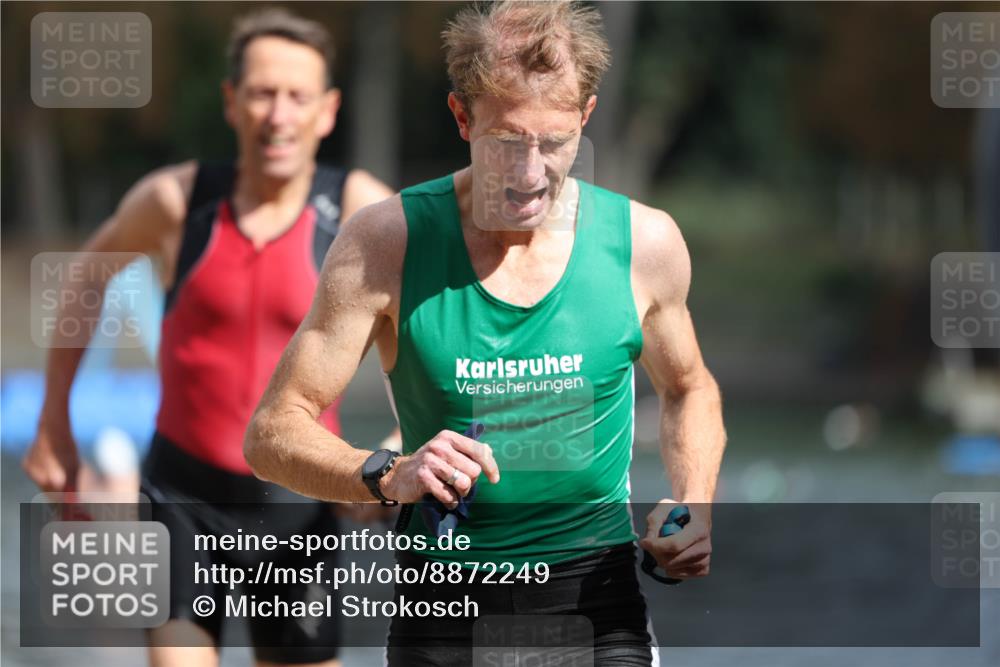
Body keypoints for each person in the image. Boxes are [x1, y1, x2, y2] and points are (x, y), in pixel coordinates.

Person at [244, 1, 726, 665]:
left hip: (595, 605)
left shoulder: (645, 242)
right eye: (506, 143)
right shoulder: (387, 243)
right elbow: (272, 431)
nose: (531, 175)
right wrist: (388, 473)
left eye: (555, 144)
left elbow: (688, 388)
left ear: (585, 117)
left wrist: (693, 503)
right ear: (462, 117)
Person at [22, 8, 395, 667]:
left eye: (297, 96)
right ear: (231, 101)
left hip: (302, 507)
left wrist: (396, 450)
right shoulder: (175, 202)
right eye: (261, 92)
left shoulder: (364, 213)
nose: (278, 114)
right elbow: (85, 280)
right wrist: (55, 424)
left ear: (328, 110)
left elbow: (438, 323)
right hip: (181, 499)